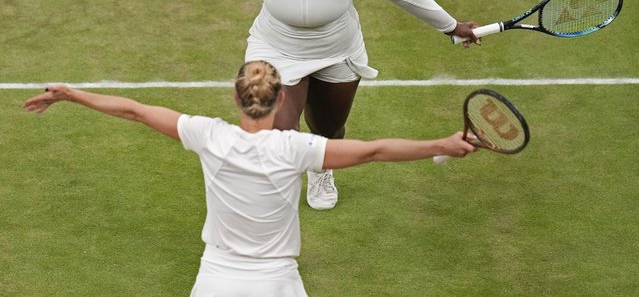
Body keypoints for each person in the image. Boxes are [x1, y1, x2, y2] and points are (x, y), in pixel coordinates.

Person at [144, 0, 480, 210]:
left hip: (338, 52)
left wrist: (451, 25)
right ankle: (287, 172)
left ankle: (321, 168)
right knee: (278, 130)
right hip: (276, 48)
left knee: (329, 129)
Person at [23, 60, 477, 297]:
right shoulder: (296, 148)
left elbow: (135, 110)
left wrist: (71, 95)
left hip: (216, 278)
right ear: (281, 101)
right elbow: (375, 150)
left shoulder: (207, 136)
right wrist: (441, 144)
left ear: (236, 99)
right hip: (277, 281)